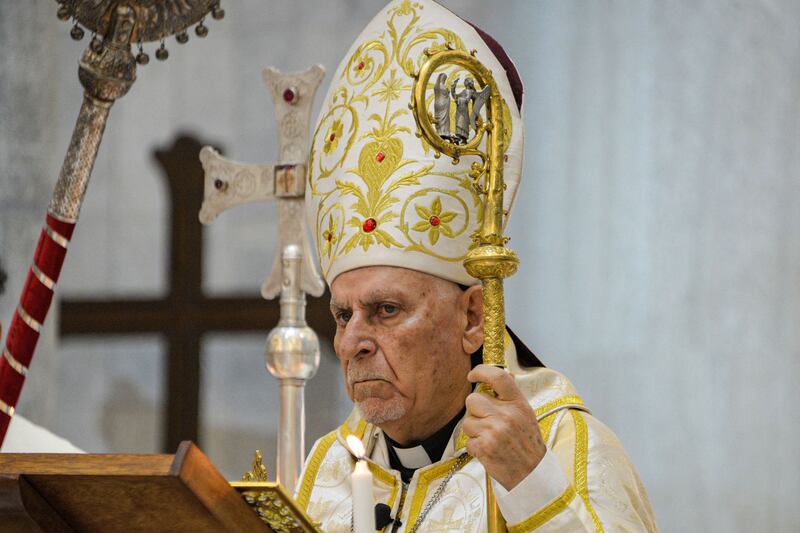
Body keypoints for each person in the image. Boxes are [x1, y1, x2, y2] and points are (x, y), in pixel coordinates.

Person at [298, 1, 657, 531]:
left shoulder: (560, 449)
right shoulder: (329, 469)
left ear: (471, 317)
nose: (352, 343)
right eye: (344, 314)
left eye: (387, 309)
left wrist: (531, 485)